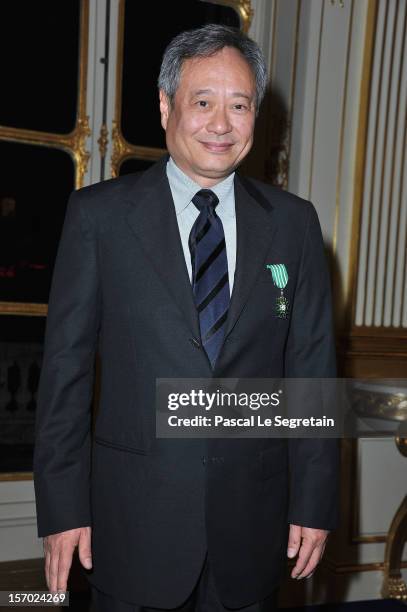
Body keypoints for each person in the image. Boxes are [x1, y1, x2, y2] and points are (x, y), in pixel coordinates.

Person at [33, 24, 339, 612]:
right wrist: (64, 510)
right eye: (203, 102)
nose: (221, 124)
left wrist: (315, 501)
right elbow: (64, 378)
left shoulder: (294, 224)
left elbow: (312, 376)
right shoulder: (99, 218)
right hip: (130, 526)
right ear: (167, 105)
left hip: (252, 526)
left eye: (240, 105)